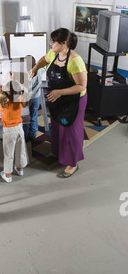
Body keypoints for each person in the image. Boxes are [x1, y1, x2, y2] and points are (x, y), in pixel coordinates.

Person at [30, 28, 87, 178]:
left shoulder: (75, 61)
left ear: (63, 44)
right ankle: (57, 153)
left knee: (71, 129)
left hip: (74, 99)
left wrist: (59, 92)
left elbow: (81, 86)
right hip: (57, 97)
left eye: (53, 42)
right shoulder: (54, 54)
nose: (50, 44)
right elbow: (44, 59)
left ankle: (72, 163)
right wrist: (35, 68)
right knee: (56, 126)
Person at [0, 80, 29, 183]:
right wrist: (13, 79)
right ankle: (20, 169)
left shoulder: (5, 104)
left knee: (9, 153)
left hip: (9, 131)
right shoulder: (19, 100)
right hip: (19, 128)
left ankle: (8, 175)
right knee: (20, 149)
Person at [23, 56, 45, 142]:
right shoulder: (39, 70)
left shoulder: (26, 75)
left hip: (27, 99)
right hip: (36, 98)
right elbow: (44, 67)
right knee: (34, 115)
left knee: (25, 117)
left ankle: (26, 135)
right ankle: (33, 134)